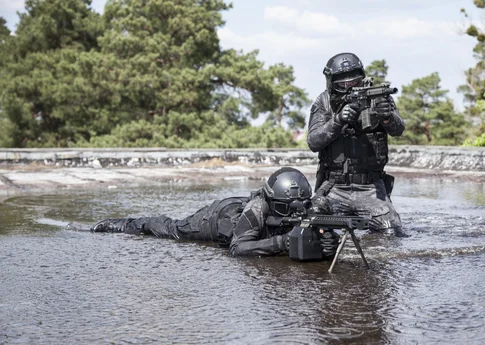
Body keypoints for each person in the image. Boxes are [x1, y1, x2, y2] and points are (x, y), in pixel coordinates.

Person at [90, 167, 339, 259]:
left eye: (298, 206)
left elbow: (324, 233)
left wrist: (328, 241)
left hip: (244, 211)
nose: (293, 212)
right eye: (285, 209)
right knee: (173, 230)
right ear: (271, 200)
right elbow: (237, 249)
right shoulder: (257, 210)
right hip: (220, 216)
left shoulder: (306, 204)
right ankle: (123, 224)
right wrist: (282, 242)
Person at [307, 52, 405, 236]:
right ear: (332, 82)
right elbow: (313, 142)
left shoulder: (379, 97)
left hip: (370, 188)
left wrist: (387, 117)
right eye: (342, 84)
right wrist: (337, 121)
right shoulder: (323, 101)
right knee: (311, 228)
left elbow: (398, 129)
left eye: (353, 82)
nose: (348, 87)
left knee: (391, 232)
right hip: (333, 187)